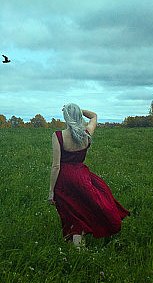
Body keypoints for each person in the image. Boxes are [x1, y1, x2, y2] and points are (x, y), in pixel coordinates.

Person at [48, 103, 130, 248]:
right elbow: (94, 116)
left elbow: (56, 166)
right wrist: (79, 110)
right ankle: (79, 246)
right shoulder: (86, 133)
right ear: (79, 116)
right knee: (82, 208)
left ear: (66, 117)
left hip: (64, 179)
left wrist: (51, 191)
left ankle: (78, 246)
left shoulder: (58, 135)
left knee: (71, 213)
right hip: (81, 177)